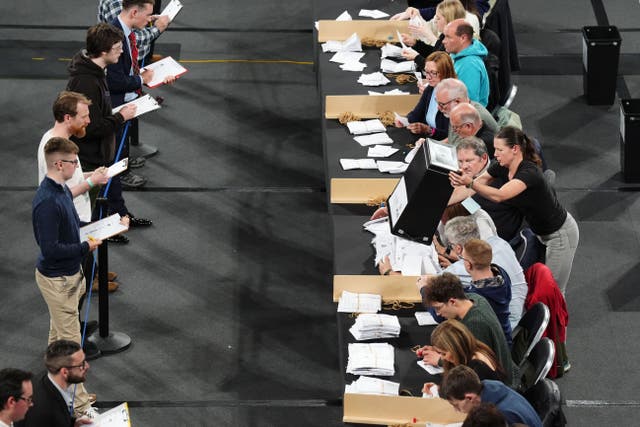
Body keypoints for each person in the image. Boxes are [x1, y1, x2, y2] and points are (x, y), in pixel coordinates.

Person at [32, 138, 110, 418]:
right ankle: (80, 410)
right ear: (58, 163)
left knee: (58, 340)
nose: (78, 168)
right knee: (71, 351)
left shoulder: (61, 191)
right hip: (58, 280)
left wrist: (95, 230)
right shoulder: (46, 202)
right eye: (74, 163)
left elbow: (71, 225)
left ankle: (52, 390)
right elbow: (50, 249)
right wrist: (84, 247)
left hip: (68, 277)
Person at [449, 126, 579, 294]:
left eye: (499, 150)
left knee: (552, 291)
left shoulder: (528, 172)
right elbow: (472, 188)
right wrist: (438, 204)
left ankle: (553, 320)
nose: (495, 154)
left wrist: (470, 183)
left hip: (560, 235)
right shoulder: (502, 166)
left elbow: (500, 195)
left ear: (515, 149)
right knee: (540, 285)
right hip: (540, 232)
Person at [67, 22, 151, 244]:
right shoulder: (87, 82)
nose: (122, 51)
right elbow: (91, 128)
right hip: (89, 158)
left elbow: (96, 117)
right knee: (88, 220)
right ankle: (92, 274)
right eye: (117, 48)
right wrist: (121, 117)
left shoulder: (95, 72)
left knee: (98, 209)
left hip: (98, 154)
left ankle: (114, 223)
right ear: (103, 52)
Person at [37, 91, 119, 294]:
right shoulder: (55, 149)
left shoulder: (61, 142)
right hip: (69, 220)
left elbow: (71, 178)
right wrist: (92, 181)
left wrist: (91, 174)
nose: (89, 121)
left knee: (83, 262)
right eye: (84, 117)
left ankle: (93, 274)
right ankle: (79, 320)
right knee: (76, 287)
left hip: (76, 217)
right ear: (68, 118)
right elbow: (60, 194)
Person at [418, 272, 515, 384]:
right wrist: (442, 348)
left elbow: (474, 367)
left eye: (438, 308)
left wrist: (440, 360)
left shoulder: (475, 325)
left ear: (452, 302)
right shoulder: (474, 298)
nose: (438, 314)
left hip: (497, 383)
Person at [440, 216, 526, 330]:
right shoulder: (499, 243)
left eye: (451, 245)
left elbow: (435, 281)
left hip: (504, 327)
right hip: (519, 314)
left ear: (458, 248)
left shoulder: (465, 267)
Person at [449, 138, 524, 241]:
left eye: (469, 161)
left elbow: (467, 206)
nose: (463, 166)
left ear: (483, 158)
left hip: (494, 237)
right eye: (460, 161)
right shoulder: (474, 175)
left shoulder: (498, 177)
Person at [18, 340, 95, 426]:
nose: (87, 366)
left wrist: (73, 423)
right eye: (81, 365)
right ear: (65, 372)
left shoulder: (45, 379)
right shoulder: (47, 412)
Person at [440, 365, 542, 427]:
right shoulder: (491, 388)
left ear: (469, 398)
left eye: (456, 405)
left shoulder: (499, 416)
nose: (456, 410)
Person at [417, 319, 507, 385]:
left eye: (443, 353)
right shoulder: (475, 348)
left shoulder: (477, 368)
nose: (443, 357)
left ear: (455, 348)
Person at [460, 239, 512, 345]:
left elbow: (441, 316)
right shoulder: (501, 273)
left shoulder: (476, 297)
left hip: (492, 348)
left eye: (463, 258)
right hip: (505, 337)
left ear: (468, 265)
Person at [396, 51, 456, 140]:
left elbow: (450, 136)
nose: (428, 77)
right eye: (426, 72)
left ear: (445, 72)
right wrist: (404, 121)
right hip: (426, 137)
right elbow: (416, 114)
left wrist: (428, 130)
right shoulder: (431, 88)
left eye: (433, 73)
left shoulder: (454, 98)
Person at [399, 0, 465, 72]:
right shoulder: (445, 35)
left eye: (438, 18)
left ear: (449, 20)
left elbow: (436, 68)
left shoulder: (453, 45)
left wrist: (416, 58)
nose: (435, 21)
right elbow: (434, 52)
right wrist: (415, 43)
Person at [98, 0, 170, 64]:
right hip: (126, 61)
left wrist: (146, 18)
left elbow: (131, 20)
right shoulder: (114, 3)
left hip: (135, 58)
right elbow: (128, 39)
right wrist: (157, 28)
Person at [434, 79, 498, 146]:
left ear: (457, 101)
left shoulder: (475, 118)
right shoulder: (457, 112)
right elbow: (452, 139)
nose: (438, 108)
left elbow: (462, 150)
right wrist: (433, 145)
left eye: (442, 104)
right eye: (437, 103)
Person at [442, 20, 489, 107]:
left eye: (448, 37)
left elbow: (466, 106)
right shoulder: (455, 55)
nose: (443, 41)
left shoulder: (470, 65)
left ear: (463, 38)